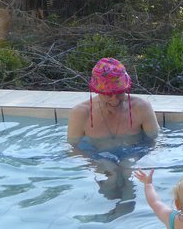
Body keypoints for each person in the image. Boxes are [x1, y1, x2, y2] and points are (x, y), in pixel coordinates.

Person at [67, 57, 160, 208]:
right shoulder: (80, 113)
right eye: (108, 94)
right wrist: (96, 164)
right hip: (98, 156)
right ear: (96, 91)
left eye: (120, 92)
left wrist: (135, 160)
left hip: (134, 154)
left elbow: (156, 142)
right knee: (111, 178)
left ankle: (125, 212)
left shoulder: (141, 107)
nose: (115, 99)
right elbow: (72, 149)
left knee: (127, 172)